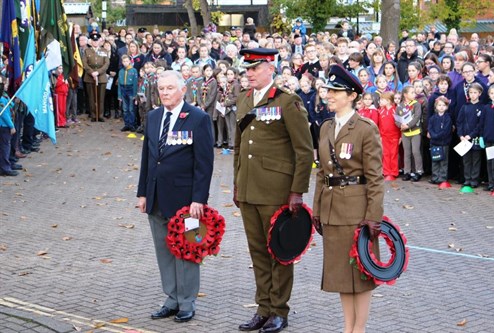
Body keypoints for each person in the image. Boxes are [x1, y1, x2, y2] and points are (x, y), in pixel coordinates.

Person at [233, 48, 313, 333]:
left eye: (255, 68)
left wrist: (297, 191)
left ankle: (279, 310)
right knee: (257, 252)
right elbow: (240, 148)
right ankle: (263, 307)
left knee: (279, 251)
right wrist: (236, 183)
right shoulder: (244, 99)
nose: (249, 73)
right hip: (249, 189)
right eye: (247, 69)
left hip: (277, 191)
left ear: (270, 68)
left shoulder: (287, 102)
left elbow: (304, 152)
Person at [136, 70, 214, 323]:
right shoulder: (153, 116)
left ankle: (187, 302)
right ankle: (171, 298)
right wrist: (142, 193)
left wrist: (198, 199)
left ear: (183, 90)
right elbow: (148, 158)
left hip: (187, 202)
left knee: (187, 250)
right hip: (156, 196)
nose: (165, 92)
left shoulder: (198, 118)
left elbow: (204, 164)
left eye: (170, 88)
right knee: (164, 251)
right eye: (161, 88)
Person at [312, 64, 384, 333]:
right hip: (331, 209)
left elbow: (375, 178)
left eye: (335, 91)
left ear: (352, 95)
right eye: (328, 90)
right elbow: (321, 172)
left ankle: (359, 329)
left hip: (357, 210)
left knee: (362, 272)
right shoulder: (326, 127)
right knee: (342, 274)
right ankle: (347, 328)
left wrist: (373, 217)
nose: (329, 95)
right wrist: (316, 209)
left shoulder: (365, 128)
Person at [456, 83, 484, 188]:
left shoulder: (482, 107)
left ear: (479, 93)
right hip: (464, 139)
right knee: (466, 160)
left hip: (475, 138)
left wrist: (471, 135)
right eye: (471, 92)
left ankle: (474, 179)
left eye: (475, 93)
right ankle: (467, 179)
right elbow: (459, 122)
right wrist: (461, 135)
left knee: (476, 159)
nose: (472, 95)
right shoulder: (464, 107)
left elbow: (480, 124)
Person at [396, 85, 424, 182]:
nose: (414, 94)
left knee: (415, 152)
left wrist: (408, 125)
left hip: (415, 131)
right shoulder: (400, 106)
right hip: (405, 133)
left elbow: (417, 117)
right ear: (405, 95)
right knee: (407, 153)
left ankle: (419, 171)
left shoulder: (416, 104)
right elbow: (396, 119)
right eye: (412, 92)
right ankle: (407, 172)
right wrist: (401, 125)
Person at [82, 33, 109, 122]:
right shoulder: (87, 51)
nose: (95, 42)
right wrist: (92, 72)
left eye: (97, 40)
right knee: (91, 97)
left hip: (101, 77)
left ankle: (100, 115)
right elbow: (84, 63)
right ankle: (93, 115)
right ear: (91, 42)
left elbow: (106, 64)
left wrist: (98, 72)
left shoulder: (104, 51)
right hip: (90, 77)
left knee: (101, 97)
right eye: (93, 41)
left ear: (99, 41)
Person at [427, 96, 453, 184]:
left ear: (446, 107)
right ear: (436, 107)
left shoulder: (447, 118)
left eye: (443, 105)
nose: (441, 107)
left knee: (443, 161)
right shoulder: (433, 118)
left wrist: (437, 136)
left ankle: (442, 178)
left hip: (444, 143)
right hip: (434, 143)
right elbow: (430, 128)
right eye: (439, 105)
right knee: (435, 160)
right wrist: (433, 135)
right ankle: (435, 177)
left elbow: (446, 131)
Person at [479, 83, 494, 191]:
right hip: (487, 139)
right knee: (489, 163)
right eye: (492, 93)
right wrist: (482, 136)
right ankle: (491, 183)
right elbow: (482, 123)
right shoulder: (486, 108)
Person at [118, 55, 139, 132]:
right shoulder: (121, 71)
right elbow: (119, 84)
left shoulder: (133, 71)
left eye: (127, 61)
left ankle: (132, 124)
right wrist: (119, 95)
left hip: (130, 89)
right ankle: (126, 124)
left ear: (130, 61)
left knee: (131, 109)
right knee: (125, 108)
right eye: (124, 61)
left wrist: (134, 94)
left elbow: (135, 83)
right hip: (123, 89)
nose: (125, 63)